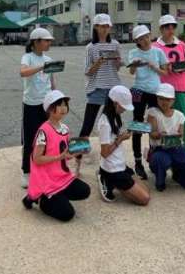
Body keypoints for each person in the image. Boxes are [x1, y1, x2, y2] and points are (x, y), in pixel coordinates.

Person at [22, 90, 91, 222]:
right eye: (59, 105)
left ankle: (56, 197)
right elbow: (37, 159)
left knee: (85, 191)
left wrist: (75, 152)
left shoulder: (65, 128)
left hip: (61, 176)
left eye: (65, 104)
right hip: (46, 180)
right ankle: (39, 198)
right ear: (49, 109)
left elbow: (65, 155)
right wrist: (59, 157)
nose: (63, 108)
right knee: (67, 214)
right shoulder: (43, 131)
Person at [75, 14, 122, 175]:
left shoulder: (115, 44)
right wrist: (98, 62)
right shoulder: (90, 47)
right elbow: (87, 72)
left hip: (113, 89)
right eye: (101, 26)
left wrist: (118, 61)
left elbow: (117, 68)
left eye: (107, 26)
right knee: (87, 127)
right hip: (96, 89)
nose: (104, 29)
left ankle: (109, 164)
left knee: (112, 126)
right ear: (95, 27)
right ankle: (77, 163)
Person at [97, 85, 150, 205]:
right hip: (112, 169)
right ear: (115, 103)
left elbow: (115, 136)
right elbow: (104, 153)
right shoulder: (105, 123)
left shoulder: (115, 116)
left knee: (147, 191)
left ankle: (117, 184)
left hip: (120, 165)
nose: (125, 110)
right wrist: (120, 139)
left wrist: (129, 132)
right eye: (123, 106)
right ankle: (106, 179)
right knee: (144, 199)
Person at [147, 83, 185, 192]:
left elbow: (181, 134)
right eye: (161, 98)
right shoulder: (153, 112)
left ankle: (178, 175)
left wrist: (177, 136)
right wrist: (159, 134)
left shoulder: (179, 115)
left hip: (177, 149)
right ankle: (160, 180)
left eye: (167, 99)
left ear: (173, 100)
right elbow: (152, 133)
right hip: (160, 149)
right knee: (160, 161)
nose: (164, 102)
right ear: (157, 98)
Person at [128, 24, 168, 180]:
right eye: (140, 39)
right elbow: (131, 72)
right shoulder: (133, 52)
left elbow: (165, 72)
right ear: (136, 41)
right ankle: (138, 162)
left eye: (146, 36)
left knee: (154, 125)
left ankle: (154, 157)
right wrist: (134, 65)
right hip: (138, 90)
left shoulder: (158, 52)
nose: (144, 40)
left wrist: (154, 67)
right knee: (137, 125)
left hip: (154, 91)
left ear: (150, 35)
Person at [19, 27, 56, 188]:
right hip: (31, 103)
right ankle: (27, 172)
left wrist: (56, 97)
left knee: (47, 137)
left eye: (49, 41)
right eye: (46, 41)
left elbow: (51, 80)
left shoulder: (48, 58)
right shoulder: (27, 57)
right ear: (36, 42)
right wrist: (41, 67)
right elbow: (23, 72)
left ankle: (44, 166)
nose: (49, 43)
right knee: (30, 139)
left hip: (46, 104)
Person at [153, 14, 185, 145]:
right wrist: (164, 67)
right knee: (159, 120)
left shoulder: (182, 45)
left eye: (173, 27)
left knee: (184, 119)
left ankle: (182, 147)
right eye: (167, 27)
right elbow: (152, 66)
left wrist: (183, 66)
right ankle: (158, 148)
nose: (170, 30)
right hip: (162, 88)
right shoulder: (155, 47)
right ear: (161, 29)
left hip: (179, 88)